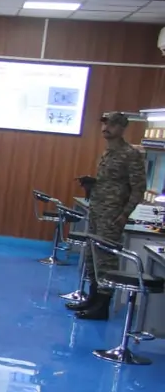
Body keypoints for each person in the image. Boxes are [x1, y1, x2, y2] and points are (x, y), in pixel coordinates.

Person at [66, 112, 147, 320]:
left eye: (111, 124)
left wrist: (124, 214)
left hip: (112, 215)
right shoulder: (108, 153)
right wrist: (93, 184)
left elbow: (138, 188)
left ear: (122, 128)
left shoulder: (130, 154)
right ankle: (93, 297)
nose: (106, 128)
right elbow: (112, 183)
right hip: (97, 211)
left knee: (106, 259)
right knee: (92, 256)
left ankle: (102, 305)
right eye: (104, 124)